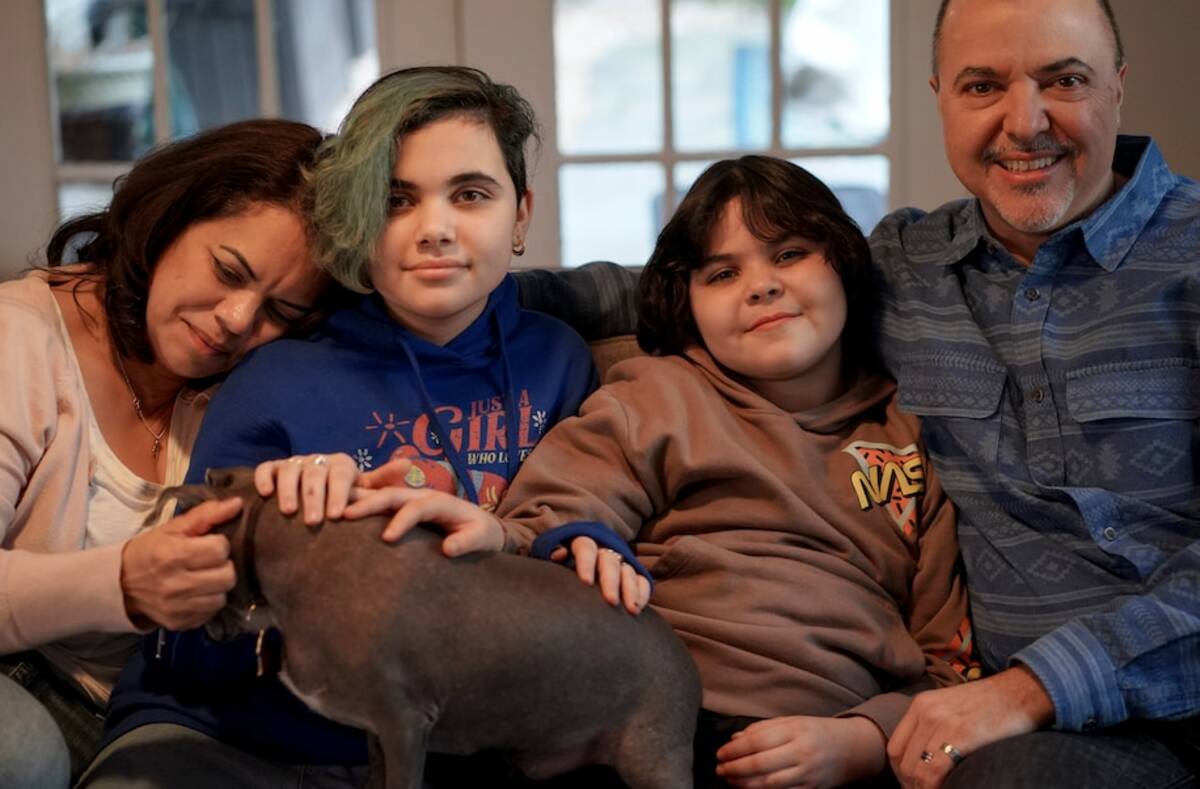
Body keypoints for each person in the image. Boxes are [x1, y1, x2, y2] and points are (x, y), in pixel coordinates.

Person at [344, 156, 978, 788]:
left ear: (843, 260)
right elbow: (553, 511)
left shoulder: (916, 435)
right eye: (723, 273)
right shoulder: (658, 396)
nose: (761, 286)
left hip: (828, 735)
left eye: (788, 254)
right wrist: (540, 539)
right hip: (650, 718)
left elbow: (948, 663)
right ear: (687, 303)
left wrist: (864, 739)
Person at [83, 66, 597, 788]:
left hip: (445, 739)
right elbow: (184, 636)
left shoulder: (561, 360)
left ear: (520, 216)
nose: (436, 229)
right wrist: (272, 535)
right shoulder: (274, 372)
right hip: (236, 737)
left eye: (471, 194)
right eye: (396, 200)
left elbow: (589, 535)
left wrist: (589, 545)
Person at [867, 0, 1200, 786]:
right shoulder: (904, 268)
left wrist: (1033, 687)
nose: (1024, 124)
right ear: (941, 98)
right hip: (1028, 740)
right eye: (982, 86)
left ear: (1117, 85)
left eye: (1065, 81)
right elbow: (691, 281)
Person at [0, 118, 329, 787]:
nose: (237, 319)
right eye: (227, 270)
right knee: (22, 749)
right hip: (26, 674)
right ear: (168, 219)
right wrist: (122, 582)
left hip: (160, 711)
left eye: (280, 312)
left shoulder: (254, 384)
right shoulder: (20, 337)